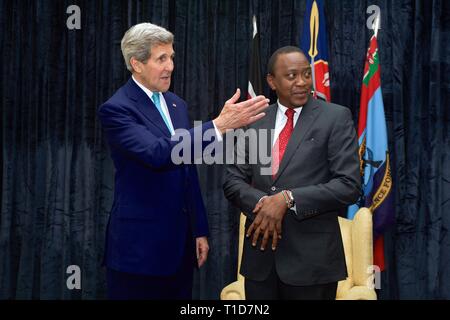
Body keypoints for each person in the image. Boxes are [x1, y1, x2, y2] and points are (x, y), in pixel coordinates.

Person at [97, 22, 269, 300]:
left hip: (179, 246)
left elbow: (186, 168)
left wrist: (198, 229)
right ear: (136, 64)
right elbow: (158, 153)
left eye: (172, 57)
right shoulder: (117, 109)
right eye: (161, 59)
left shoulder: (176, 104)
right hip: (138, 251)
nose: (170, 66)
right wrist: (218, 125)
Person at [223, 46, 361, 300]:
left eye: (307, 75)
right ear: (271, 81)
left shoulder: (335, 117)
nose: (302, 83)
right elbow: (232, 180)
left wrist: (288, 198)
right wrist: (264, 203)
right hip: (260, 263)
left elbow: (349, 185)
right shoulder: (255, 121)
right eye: (291, 76)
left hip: (313, 264)